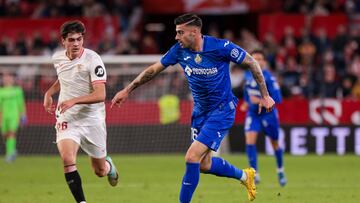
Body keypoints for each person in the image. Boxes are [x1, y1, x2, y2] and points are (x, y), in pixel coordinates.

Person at [112, 14, 275, 202]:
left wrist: (265, 95)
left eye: (180, 33)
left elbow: (252, 62)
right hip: (200, 112)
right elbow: (152, 70)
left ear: (195, 32)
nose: (176, 37)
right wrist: (127, 90)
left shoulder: (221, 47)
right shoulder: (179, 50)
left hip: (222, 110)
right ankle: (245, 176)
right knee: (204, 165)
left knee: (191, 157)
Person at [43, 20, 119, 203]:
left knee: (100, 171)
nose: (76, 43)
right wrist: (49, 92)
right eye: (71, 40)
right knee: (68, 159)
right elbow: (65, 78)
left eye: (79, 39)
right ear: (63, 41)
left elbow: (101, 94)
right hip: (67, 118)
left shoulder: (93, 60)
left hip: (92, 119)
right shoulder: (58, 58)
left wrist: (74, 101)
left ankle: (110, 166)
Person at [240, 50, 287, 186]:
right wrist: (247, 102)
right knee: (250, 142)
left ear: (264, 62)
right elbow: (247, 94)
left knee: (275, 144)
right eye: (254, 59)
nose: (257, 61)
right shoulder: (247, 76)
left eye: (260, 59)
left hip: (268, 114)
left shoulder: (269, 78)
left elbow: (278, 99)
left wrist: (261, 99)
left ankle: (280, 171)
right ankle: (254, 173)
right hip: (253, 114)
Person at [0, 72, 26, 162]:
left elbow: (21, 104)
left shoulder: (17, 90)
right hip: (4, 116)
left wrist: (23, 116)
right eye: (5, 77)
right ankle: (12, 151)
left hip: (14, 115)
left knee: (11, 133)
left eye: (9, 77)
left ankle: (9, 154)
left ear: (12, 79)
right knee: (5, 134)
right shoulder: (1, 91)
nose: (7, 79)